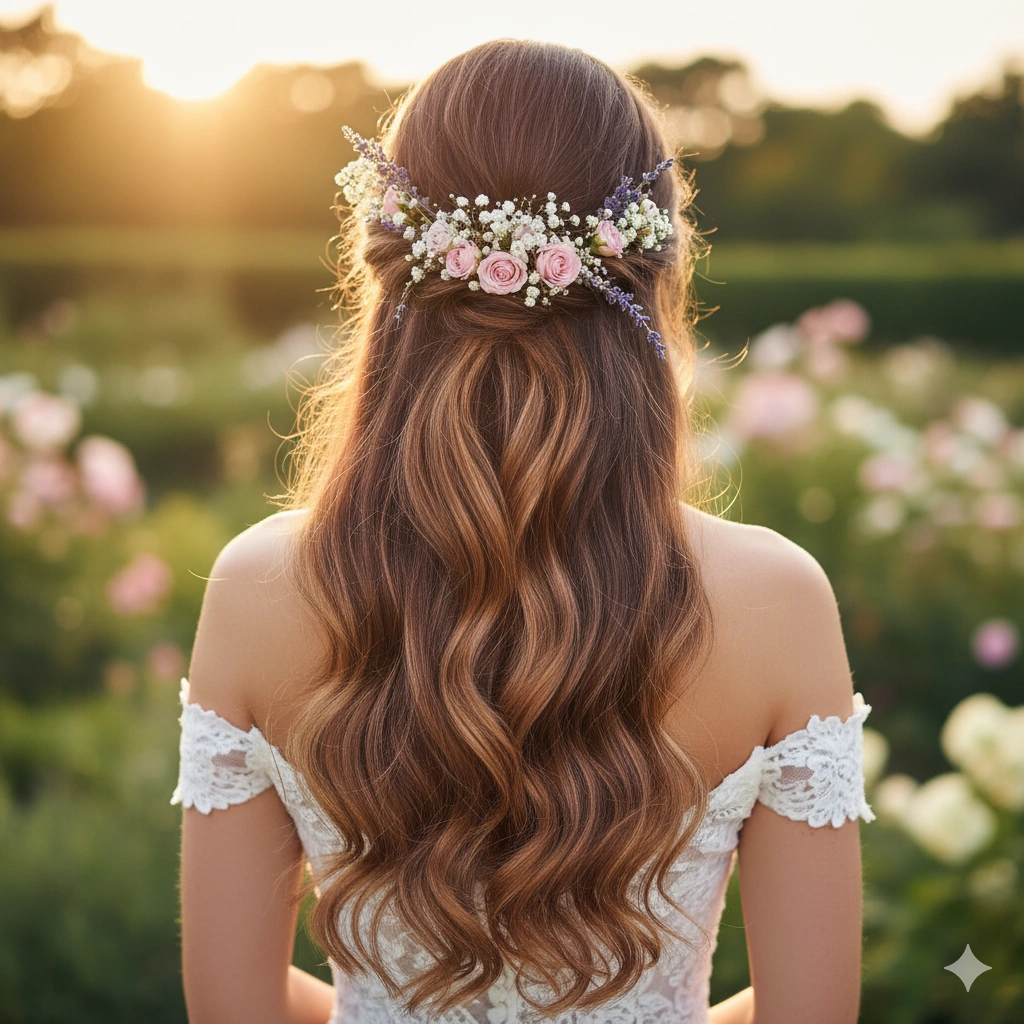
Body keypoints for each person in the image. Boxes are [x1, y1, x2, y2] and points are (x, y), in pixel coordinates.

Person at [173, 39, 874, 1024]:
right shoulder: (774, 599)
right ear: (653, 276)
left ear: (390, 273)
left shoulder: (261, 585)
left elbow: (230, 1010)